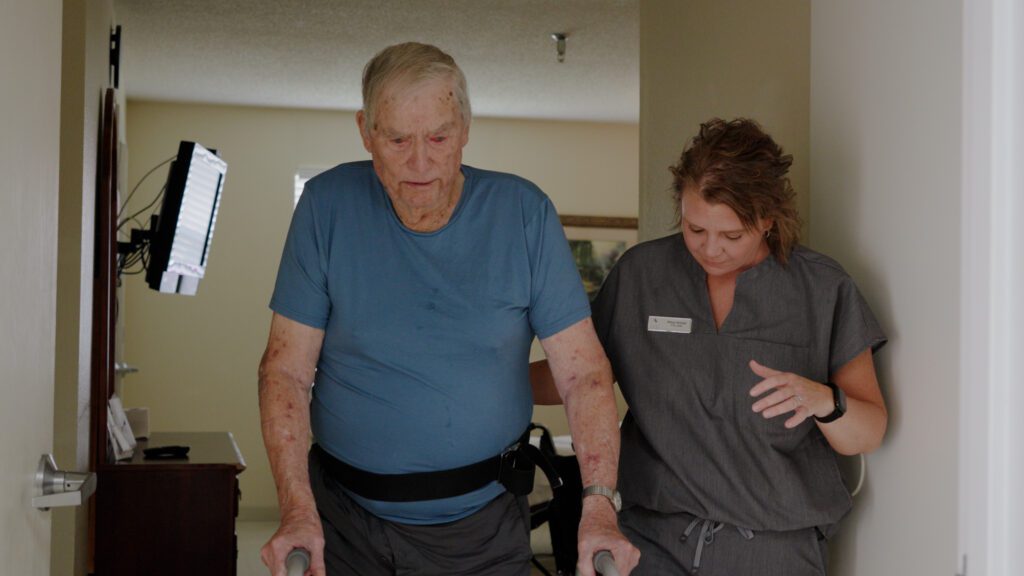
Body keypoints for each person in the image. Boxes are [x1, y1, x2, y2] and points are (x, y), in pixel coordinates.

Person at [257, 42, 639, 576]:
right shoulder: (326, 207)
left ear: (463, 128)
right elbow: (286, 371)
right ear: (365, 130)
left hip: (481, 527)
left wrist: (598, 508)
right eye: (397, 140)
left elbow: (584, 376)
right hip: (342, 520)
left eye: (438, 137)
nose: (420, 162)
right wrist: (297, 510)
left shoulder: (523, 214)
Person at [532, 118, 888, 575]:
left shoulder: (822, 290)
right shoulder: (643, 275)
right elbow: (580, 375)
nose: (710, 249)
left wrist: (822, 400)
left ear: (768, 220)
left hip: (774, 551)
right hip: (652, 542)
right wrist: (480, 379)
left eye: (732, 235)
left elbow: (870, 430)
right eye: (694, 228)